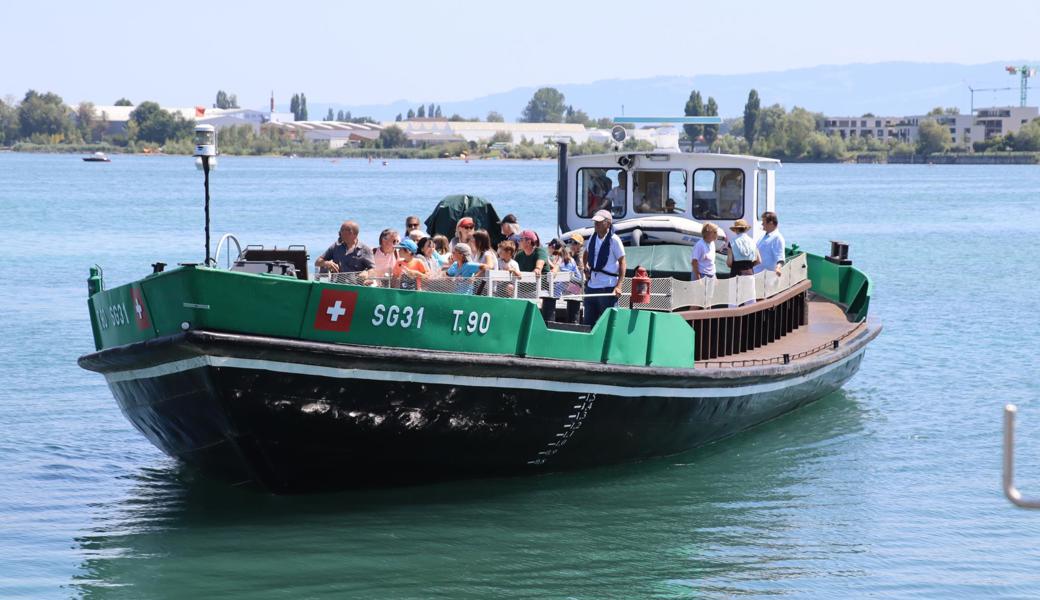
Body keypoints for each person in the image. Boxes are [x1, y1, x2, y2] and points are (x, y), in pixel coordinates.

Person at [582, 209, 626, 325]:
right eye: (595, 222)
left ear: (608, 223)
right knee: (588, 323)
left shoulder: (614, 240)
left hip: (608, 287)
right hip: (592, 287)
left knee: (609, 323)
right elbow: (585, 253)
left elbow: (622, 262)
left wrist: (619, 286)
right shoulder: (593, 237)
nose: (596, 224)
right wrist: (585, 268)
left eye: (599, 222)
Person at [754, 211, 786, 276]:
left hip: (766, 277)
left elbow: (780, 258)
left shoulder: (777, 238)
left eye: (764, 222)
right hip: (756, 273)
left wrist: (778, 268)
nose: (762, 224)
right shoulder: (764, 236)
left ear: (771, 223)